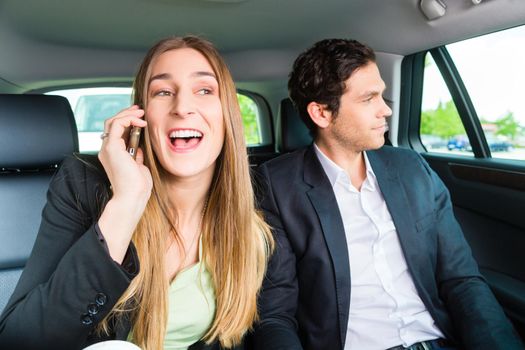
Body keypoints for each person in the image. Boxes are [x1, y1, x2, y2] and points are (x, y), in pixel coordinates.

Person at [0, 36, 273, 350]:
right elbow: (18, 342)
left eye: (204, 90)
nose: (183, 107)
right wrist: (127, 202)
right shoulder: (83, 186)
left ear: (227, 117)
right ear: (140, 118)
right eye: (163, 92)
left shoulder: (252, 228)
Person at [252, 38, 524, 350]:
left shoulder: (412, 168)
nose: (386, 110)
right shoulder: (277, 186)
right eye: (369, 99)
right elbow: (275, 315)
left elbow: (461, 279)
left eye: (382, 95)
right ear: (322, 113)